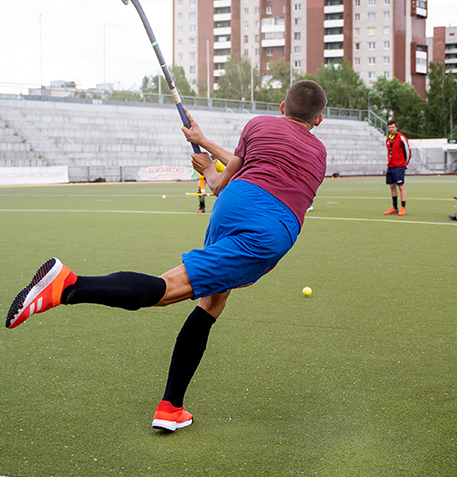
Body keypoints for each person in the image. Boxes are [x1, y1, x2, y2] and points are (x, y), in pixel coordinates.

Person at [4, 80, 329, 432]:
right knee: (167, 289)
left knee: (213, 302)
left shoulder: (258, 125)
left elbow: (224, 182)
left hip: (234, 206)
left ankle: (172, 406)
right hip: (268, 229)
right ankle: (68, 286)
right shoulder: (319, 153)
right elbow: (262, 173)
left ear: (282, 107)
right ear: (319, 120)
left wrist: (205, 156)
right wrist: (208, 162)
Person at [383, 119, 410, 216]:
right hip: (390, 166)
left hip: (399, 166)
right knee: (392, 186)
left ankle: (403, 207)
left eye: (392, 127)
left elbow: (408, 151)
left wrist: (405, 164)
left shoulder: (402, 138)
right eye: (389, 127)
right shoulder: (388, 139)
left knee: (401, 186)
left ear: (396, 128)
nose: (391, 129)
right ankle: (394, 207)